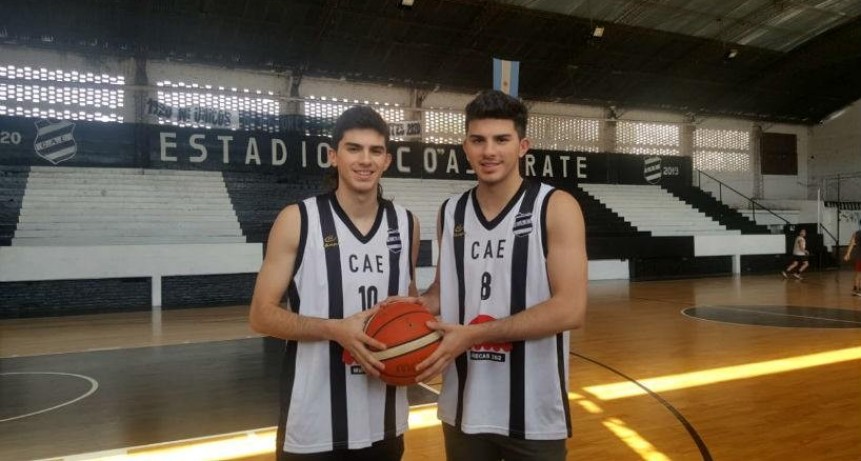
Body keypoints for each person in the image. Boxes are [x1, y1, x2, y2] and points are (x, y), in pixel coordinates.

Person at [415, 90, 588, 461]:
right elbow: (443, 292)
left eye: (501, 140)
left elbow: (571, 309)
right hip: (463, 406)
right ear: (466, 147)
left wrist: (476, 334)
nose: (489, 151)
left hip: (533, 413)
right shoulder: (450, 212)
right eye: (478, 140)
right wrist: (410, 308)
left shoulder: (555, 207)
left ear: (523, 146)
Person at [249, 105, 420, 460]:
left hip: (384, 424)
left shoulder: (406, 225)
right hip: (313, 426)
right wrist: (334, 329)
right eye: (353, 148)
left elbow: (410, 308)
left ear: (387, 160)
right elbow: (261, 315)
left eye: (375, 151)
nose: (365, 160)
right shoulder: (298, 220)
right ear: (333, 156)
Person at [843, 220, 861, 296]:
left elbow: (851, 244)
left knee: (858, 274)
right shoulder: (856, 234)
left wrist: (848, 254)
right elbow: (851, 244)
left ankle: (855, 289)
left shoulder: (856, 233)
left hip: (858, 256)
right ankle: (857, 290)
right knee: (859, 274)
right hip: (859, 256)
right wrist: (847, 254)